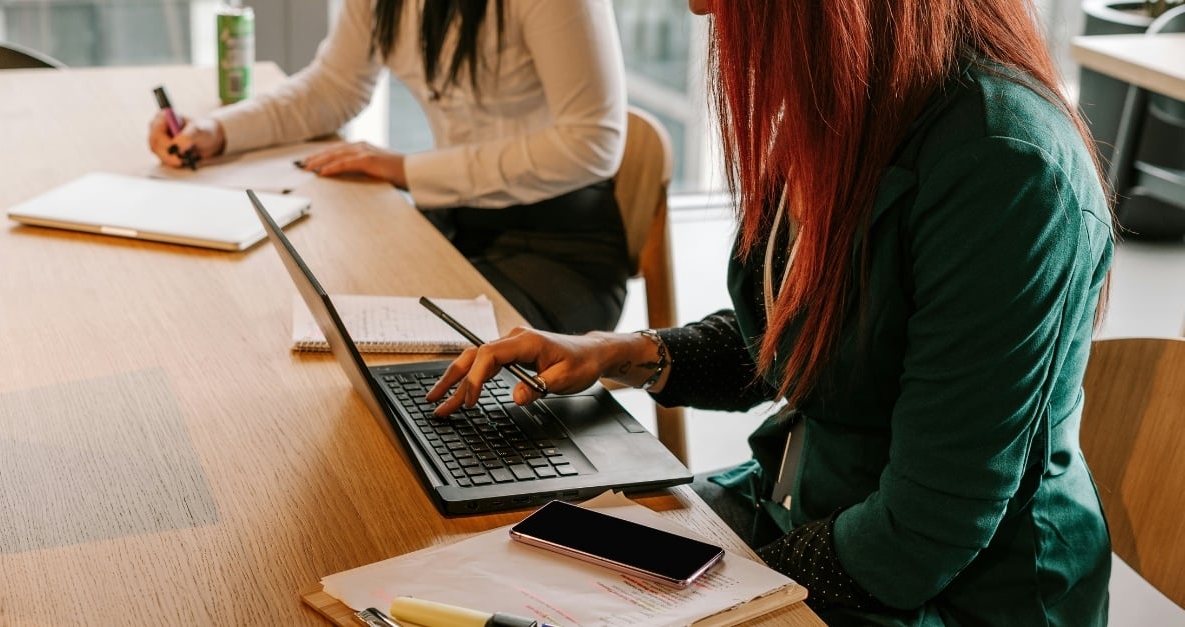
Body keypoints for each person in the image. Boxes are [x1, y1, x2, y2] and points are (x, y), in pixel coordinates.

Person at [426, 0, 1115, 624]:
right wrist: (616, 352)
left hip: (946, 594)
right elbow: (803, 342)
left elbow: (927, 529)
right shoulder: (854, 101)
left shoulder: (1006, 169)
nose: (699, 11)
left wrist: (714, 589)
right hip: (805, 518)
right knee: (514, 558)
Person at [148, 0, 629, 334]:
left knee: (408, 369)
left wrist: (407, 170)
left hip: (559, 248)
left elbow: (593, 142)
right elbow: (334, 86)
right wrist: (218, 131)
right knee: (318, 320)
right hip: (453, 224)